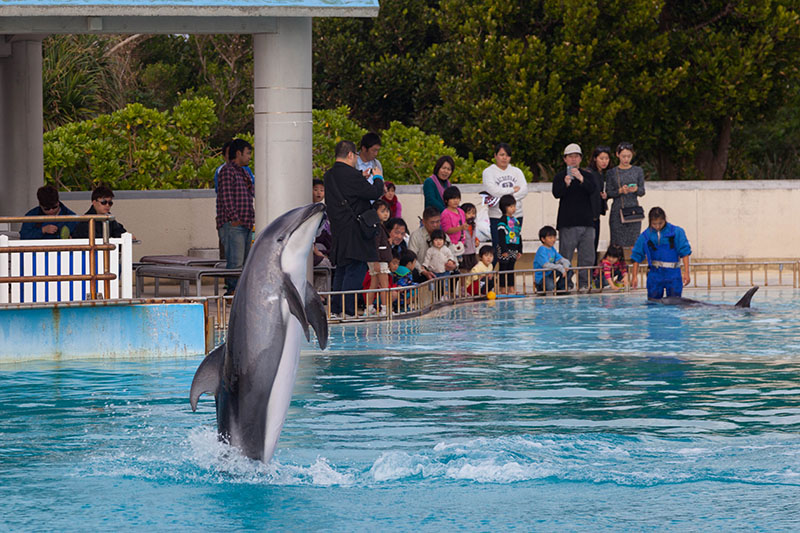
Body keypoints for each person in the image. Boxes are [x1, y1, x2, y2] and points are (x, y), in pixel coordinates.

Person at [325, 140, 385, 317]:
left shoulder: (329, 175)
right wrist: (378, 178)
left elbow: (348, 191)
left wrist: (362, 176)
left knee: (342, 269)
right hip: (355, 231)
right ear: (350, 154)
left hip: (339, 230)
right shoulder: (352, 175)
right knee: (356, 269)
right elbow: (374, 193)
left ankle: (337, 309)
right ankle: (348, 311)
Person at [552, 143, 596, 289]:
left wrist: (581, 179)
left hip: (587, 222)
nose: (573, 160)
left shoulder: (588, 175)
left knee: (587, 257)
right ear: (565, 159)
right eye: (570, 157)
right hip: (568, 222)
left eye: (576, 156)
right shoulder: (560, 176)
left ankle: (584, 284)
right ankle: (566, 284)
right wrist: (566, 184)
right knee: (565, 257)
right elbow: (556, 193)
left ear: (580, 159)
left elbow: (592, 189)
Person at [214, 138, 254, 295]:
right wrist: (234, 218)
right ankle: (232, 292)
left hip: (245, 224)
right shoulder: (227, 171)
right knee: (235, 262)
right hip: (234, 225)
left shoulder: (244, 172)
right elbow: (226, 196)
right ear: (239, 153)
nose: (250, 157)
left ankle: (241, 292)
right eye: (248, 153)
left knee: (245, 262)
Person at [630, 207, 692, 300]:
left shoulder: (676, 232)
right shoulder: (645, 236)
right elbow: (636, 256)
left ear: (665, 220)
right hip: (655, 274)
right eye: (654, 224)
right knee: (653, 303)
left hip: (673, 273)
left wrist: (686, 272)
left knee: (675, 302)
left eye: (660, 223)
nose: (657, 226)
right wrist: (634, 276)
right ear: (650, 222)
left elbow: (685, 252)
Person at [481, 143, 528, 264]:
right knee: (498, 250)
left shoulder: (517, 171)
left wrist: (505, 198)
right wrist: (512, 190)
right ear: (495, 156)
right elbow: (493, 190)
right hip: (497, 217)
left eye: (507, 155)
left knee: (512, 251)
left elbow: (524, 190)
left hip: (516, 217)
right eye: (501, 154)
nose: (504, 158)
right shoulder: (488, 172)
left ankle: (508, 281)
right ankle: (489, 280)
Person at [606, 141, 646, 249]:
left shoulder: (638, 171)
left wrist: (636, 189)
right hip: (617, 211)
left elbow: (642, 192)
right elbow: (608, 192)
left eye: (629, 156)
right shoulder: (612, 172)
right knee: (616, 244)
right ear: (617, 155)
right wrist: (620, 191)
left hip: (634, 211)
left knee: (634, 243)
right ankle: (619, 265)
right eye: (623, 156)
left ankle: (634, 265)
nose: (626, 159)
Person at [408, 207, 459, 280]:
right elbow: (412, 258)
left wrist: (453, 265)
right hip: (423, 272)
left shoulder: (444, 236)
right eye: (432, 222)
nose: (435, 225)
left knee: (456, 274)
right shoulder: (416, 236)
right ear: (424, 222)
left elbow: (453, 254)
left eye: (438, 222)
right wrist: (423, 271)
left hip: (443, 272)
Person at [366, 200, 393, 315]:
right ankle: (385, 309)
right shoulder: (377, 227)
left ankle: (369, 308)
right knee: (384, 286)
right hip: (379, 260)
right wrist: (376, 260)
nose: (386, 214)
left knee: (373, 284)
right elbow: (375, 245)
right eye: (382, 211)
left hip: (375, 260)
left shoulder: (378, 226)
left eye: (387, 211)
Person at [588, 146, 612, 263]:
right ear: (595, 159)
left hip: (596, 216)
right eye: (601, 158)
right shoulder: (589, 173)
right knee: (589, 248)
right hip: (589, 217)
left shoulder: (601, 174)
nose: (604, 161)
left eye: (606, 158)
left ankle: (593, 274)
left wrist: (604, 197)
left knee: (594, 246)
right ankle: (588, 276)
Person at [494, 194, 522, 294]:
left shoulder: (515, 221)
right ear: (505, 207)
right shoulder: (502, 221)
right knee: (503, 268)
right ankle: (502, 289)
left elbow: (518, 235)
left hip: (514, 248)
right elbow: (501, 236)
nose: (513, 208)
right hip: (504, 248)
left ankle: (511, 288)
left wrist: (520, 250)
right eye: (511, 206)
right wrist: (504, 250)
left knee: (511, 268)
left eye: (514, 206)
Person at [534, 225, 572, 292]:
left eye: (554, 237)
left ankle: (561, 287)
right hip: (542, 277)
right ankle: (541, 287)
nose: (553, 240)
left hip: (550, 274)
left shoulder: (552, 249)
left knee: (569, 269)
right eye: (550, 238)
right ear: (543, 239)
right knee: (550, 286)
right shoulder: (542, 249)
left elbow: (561, 259)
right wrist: (560, 267)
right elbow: (545, 265)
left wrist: (565, 265)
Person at [440, 186, 468, 261]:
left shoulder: (461, 211)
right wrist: (461, 228)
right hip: (450, 245)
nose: (456, 201)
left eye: (458, 198)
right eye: (453, 199)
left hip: (461, 243)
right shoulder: (445, 213)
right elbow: (447, 230)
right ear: (446, 200)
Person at [312, 179, 332, 268]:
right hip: (313, 249)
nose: (318, 193)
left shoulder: (322, 211)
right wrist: (317, 252)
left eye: (322, 190)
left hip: (319, 246)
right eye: (315, 190)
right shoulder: (310, 210)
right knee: (325, 264)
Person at [459, 202, 479, 272]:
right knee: (464, 272)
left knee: (473, 272)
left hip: (472, 252)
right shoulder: (460, 225)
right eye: (469, 213)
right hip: (464, 253)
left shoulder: (473, 225)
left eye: (473, 213)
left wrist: (476, 240)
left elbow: (472, 236)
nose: (472, 215)